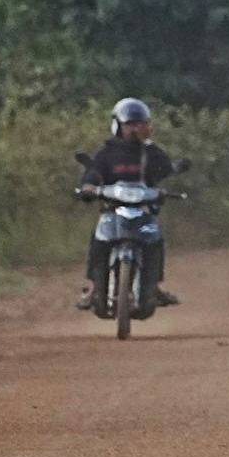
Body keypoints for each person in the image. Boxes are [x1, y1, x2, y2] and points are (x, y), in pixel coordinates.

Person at [76, 98, 180, 310]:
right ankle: (95, 288)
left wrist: (169, 179)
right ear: (117, 125)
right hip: (112, 210)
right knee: (98, 243)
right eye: (130, 124)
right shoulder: (107, 153)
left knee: (155, 243)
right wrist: (88, 187)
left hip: (144, 210)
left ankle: (153, 287)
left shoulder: (151, 153)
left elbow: (165, 170)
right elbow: (94, 173)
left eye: (140, 124)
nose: (135, 129)